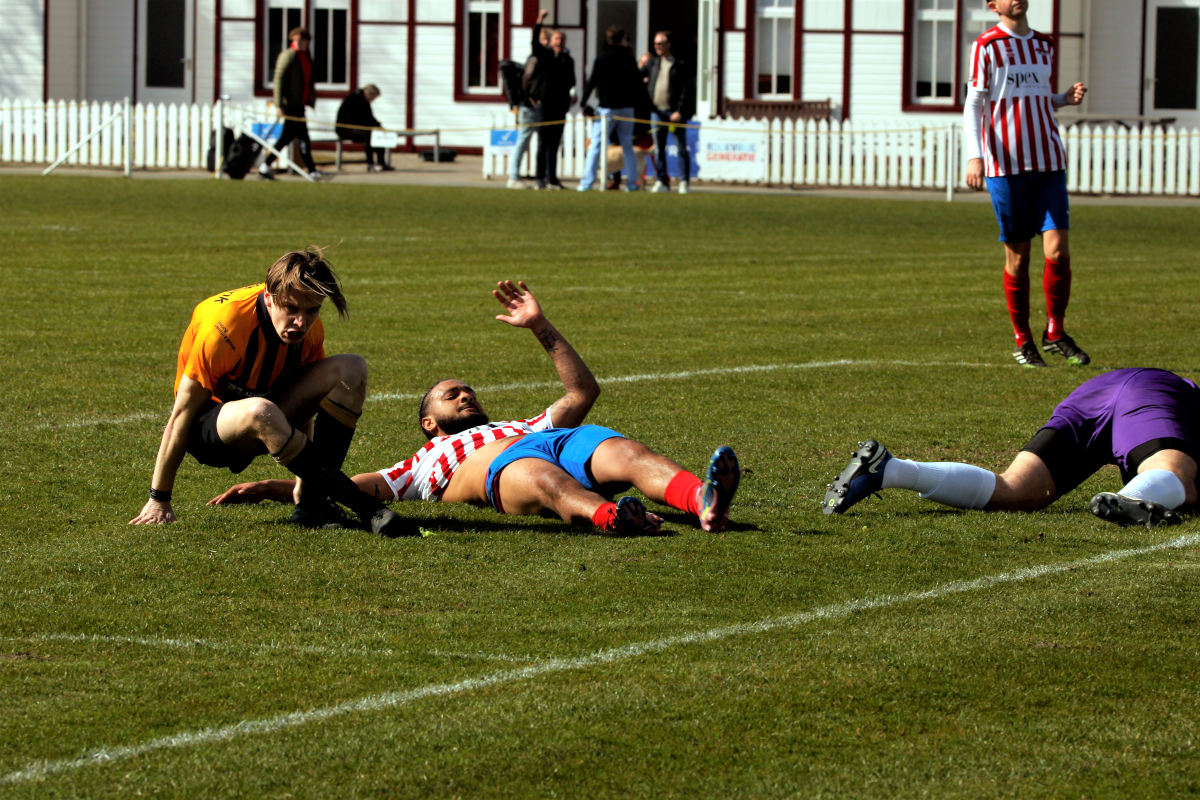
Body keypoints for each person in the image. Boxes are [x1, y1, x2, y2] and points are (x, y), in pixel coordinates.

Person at [210, 280, 742, 536]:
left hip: (540, 441)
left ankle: (703, 499)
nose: (465, 395)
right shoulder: (417, 468)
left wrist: (540, 326)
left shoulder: (524, 422)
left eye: (467, 391)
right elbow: (336, 482)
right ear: (427, 423)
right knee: (540, 477)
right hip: (500, 467)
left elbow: (582, 395)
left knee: (623, 450)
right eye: (450, 394)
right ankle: (612, 518)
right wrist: (267, 488)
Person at [130, 248, 409, 537]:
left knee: (352, 368)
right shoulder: (224, 327)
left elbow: (307, 406)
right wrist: (158, 499)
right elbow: (182, 415)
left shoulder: (310, 332)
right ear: (269, 298)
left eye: (312, 310)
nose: (300, 322)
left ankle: (313, 504)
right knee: (259, 410)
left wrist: (303, 485)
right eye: (291, 308)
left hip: (270, 411)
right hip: (210, 430)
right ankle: (367, 509)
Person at [822, 368, 1200, 528]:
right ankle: (1128, 499)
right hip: (1152, 391)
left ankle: (890, 469)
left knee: (1016, 490)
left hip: (1096, 391)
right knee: (1174, 471)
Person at [963, 0, 1088, 368]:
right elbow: (975, 104)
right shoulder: (986, 46)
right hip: (1006, 166)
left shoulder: (1044, 44)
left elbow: (1032, 98)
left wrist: (1062, 99)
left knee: (1059, 252)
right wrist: (975, 156)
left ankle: (1055, 332)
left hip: (1048, 161)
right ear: (993, 5)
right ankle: (1023, 339)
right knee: (1019, 257)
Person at [578, 26, 645, 192]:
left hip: (607, 108)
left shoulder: (602, 58)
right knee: (627, 146)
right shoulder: (629, 58)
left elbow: (592, 81)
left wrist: (583, 102)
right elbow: (637, 84)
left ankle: (587, 182)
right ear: (622, 38)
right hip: (627, 108)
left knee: (596, 145)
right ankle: (632, 183)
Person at [259, 28, 326, 182]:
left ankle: (310, 169)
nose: (299, 43)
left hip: (300, 104)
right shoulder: (288, 56)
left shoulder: (306, 57)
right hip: (290, 104)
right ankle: (311, 170)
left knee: (297, 137)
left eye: (302, 40)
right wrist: (278, 104)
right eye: (296, 40)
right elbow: (279, 80)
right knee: (292, 137)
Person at [640, 30, 695, 194]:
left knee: (680, 148)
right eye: (655, 43)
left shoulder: (679, 64)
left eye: (660, 43)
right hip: (657, 111)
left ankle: (684, 181)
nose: (657, 46)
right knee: (658, 149)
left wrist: (679, 110)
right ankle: (662, 180)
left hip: (674, 113)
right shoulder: (653, 64)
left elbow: (686, 89)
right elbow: (639, 78)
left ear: (668, 44)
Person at [531, 10, 576, 190]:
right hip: (545, 105)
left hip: (560, 106)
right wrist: (539, 20)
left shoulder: (568, 60)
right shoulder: (545, 56)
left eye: (561, 40)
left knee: (555, 144)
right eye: (556, 39)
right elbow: (535, 43)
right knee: (543, 143)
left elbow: (572, 81)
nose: (559, 42)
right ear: (551, 41)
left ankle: (553, 178)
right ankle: (539, 177)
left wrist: (573, 94)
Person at [507, 25, 552, 189]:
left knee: (541, 143)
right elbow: (526, 81)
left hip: (539, 106)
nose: (545, 42)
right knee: (523, 140)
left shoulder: (546, 59)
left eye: (547, 39)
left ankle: (541, 175)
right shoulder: (534, 59)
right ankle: (513, 176)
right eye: (543, 39)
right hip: (529, 105)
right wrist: (532, 99)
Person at [335, 84, 393, 173]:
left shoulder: (364, 101)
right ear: (369, 94)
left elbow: (369, 116)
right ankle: (370, 164)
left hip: (358, 128)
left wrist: (379, 126)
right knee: (369, 134)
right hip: (345, 129)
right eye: (373, 98)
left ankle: (381, 162)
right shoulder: (354, 99)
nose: (373, 101)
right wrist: (368, 126)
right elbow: (354, 117)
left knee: (377, 134)